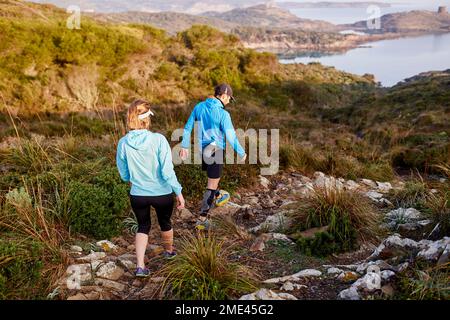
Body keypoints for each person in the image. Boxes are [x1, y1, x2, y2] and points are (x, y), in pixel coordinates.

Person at [116, 99, 185, 278]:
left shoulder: (123, 143)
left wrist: (135, 178)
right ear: (147, 120)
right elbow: (167, 171)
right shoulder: (159, 139)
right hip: (162, 193)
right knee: (165, 222)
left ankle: (140, 266)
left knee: (143, 226)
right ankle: (169, 251)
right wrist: (178, 192)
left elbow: (123, 174)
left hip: (138, 194)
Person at [179, 84, 246, 230]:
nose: (229, 101)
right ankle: (202, 219)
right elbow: (231, 136)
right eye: (229, 98)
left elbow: (187, 127)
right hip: (216, 151)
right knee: (211, 184)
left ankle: (217, 195)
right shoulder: (223, 114)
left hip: (203, 151)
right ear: (223, 96)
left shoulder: (199, 107)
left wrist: (184, 146)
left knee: (212, 180)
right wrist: (241, 152)